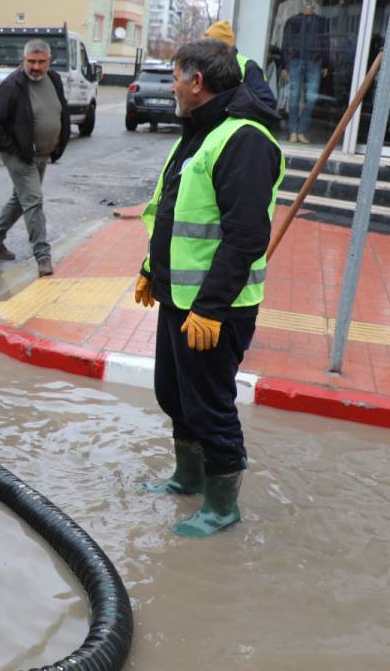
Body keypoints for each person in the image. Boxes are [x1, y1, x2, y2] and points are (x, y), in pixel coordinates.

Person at [133, 38, 284, 538]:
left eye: (175, 75)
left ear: (197, 82)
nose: (171, 85)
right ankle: (188, 477)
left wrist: (212, 307)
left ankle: (223, 507)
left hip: (216, 308)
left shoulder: (244, 140)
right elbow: (173, 211)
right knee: (174, 395)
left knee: (210, 405)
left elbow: (245, 237)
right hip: (179, 299)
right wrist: (151, 269)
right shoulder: (199, 133)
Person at [0, 38, 70, 278]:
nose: (36, 67)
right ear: (24, 60)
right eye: (31, 61)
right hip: (20, 156)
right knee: (33, 201)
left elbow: (61, 110)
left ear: (49, 61)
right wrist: (17, 149)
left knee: (21, 199)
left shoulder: (54, 79)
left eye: (41, 62)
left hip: (42, 154)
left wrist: (60, 140)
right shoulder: (12, 85)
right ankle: (43, 256)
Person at [280, 0, 329, 144]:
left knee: (312, 97)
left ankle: (301, 130)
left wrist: (326, 63)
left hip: (315, 62)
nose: (308, 5)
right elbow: (286, 42)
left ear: (314, 5)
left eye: (311, 3)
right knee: (294, 97)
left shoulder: (322, 22)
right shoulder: (292, 21)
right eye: (306, 3)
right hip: (295, 61)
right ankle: (293, 131)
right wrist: (283, 65)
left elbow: (326, 42)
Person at [203, 20, 278, 112]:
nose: (205, 51)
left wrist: (231, 108)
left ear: (222, 47)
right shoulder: (208, 66)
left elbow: (267, 102)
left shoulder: (249, 67)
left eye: (208, 46)